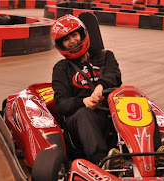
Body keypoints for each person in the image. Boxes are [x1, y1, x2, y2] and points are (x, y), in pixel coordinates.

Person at [51, 14, 122, 165]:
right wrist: (84, 102)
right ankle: (102, 162)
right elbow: (61, 104)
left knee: (136, 100)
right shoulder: (62, 68)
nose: (72, 41)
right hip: (79, 123)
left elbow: (114, 76)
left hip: (110, 114)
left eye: (74, 35)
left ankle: (155, 153)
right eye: (66, 39)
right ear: (61, 45)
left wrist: (100, 87)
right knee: (85, 114)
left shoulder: (105, 56)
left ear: (82, 34)